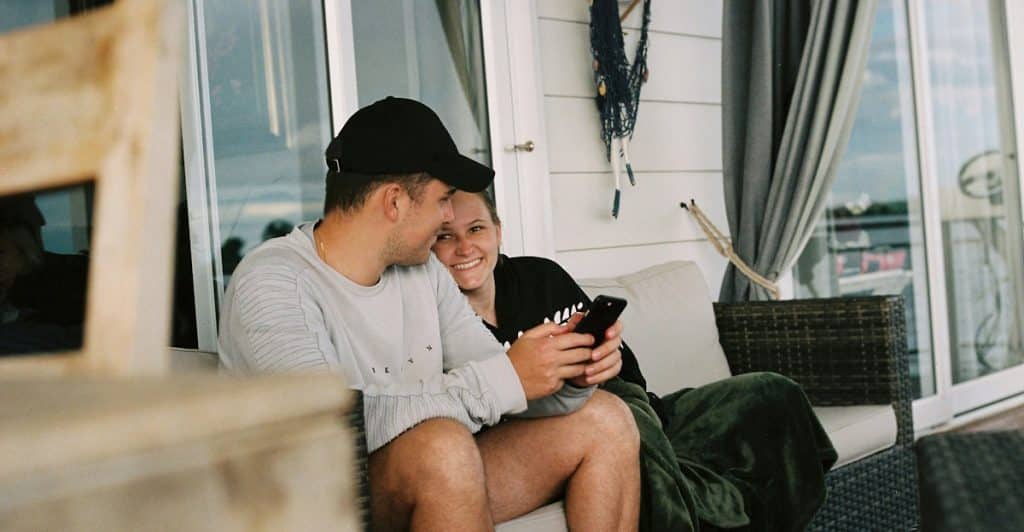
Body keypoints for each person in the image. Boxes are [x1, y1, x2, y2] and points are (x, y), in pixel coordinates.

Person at [218, 97, 641, 531]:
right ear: (395, 202)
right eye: (442, 200)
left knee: (606, 418)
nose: (448, 217)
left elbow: (495, 376)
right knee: (441, 447)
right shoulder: (272, 282)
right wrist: (505, 379)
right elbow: (330, 427)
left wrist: (564, 374)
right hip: (307, 507)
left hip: (419, 477)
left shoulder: (422, 274)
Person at [432, 190, 839, 532]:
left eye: (476, 229)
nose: (464, 247)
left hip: (643, 407)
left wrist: (607, 355)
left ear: (499, 232)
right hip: (570, 433)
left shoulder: (540, 277)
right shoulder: (438, 321)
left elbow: (629, 373)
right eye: (446, 237)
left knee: (771, 392)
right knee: (614, 414)